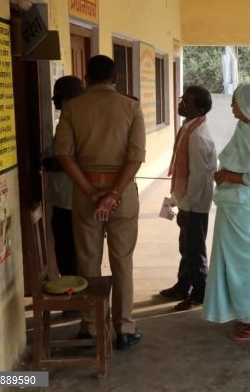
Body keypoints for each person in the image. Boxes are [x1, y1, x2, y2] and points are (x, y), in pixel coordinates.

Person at [53, 55, 145, 349]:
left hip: (85, 194)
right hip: (123, 194)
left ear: (87, 78)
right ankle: (125, 327)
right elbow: (136, 157)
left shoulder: (73, 107)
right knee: (123, 261)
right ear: (115, 78)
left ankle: (92, 326)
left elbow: (63, 154)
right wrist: (114, 194)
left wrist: (92, 193)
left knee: (88, 260)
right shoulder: (131, 107)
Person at [202, 83, 250, 341]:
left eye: (235, 101)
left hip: (245, 212)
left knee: (244, 267)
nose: (232, 106)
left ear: (248, 104)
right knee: (246, 266)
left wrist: (226, 176)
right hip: (243, 209)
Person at [160, 86, 217, 311]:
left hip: (195, 203)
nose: (181, 104)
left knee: (194, 249)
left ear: (200, 109)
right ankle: (183, 285)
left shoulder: (198, 136)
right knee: (186, 245)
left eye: (187, 102)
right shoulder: (189, 127)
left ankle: (199, 293)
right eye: (182, 99)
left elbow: (198, 177)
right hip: (187, 199)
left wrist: (188, 207)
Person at [46, 76, 85, 280]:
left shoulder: (76, 119)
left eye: (58, 95)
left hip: (70, 198)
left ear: (70, 95)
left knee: (68, 250)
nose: (53, 100)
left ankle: (74, 290)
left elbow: (79, 157)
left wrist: (52, 163)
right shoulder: (71, 117)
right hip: (65, 196)